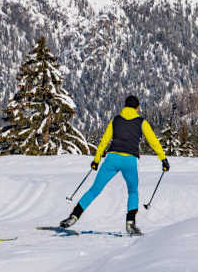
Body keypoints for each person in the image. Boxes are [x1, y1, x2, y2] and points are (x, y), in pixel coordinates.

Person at [60, 94, 169, 235]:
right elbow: (153, 141)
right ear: (137, 108)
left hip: (111, 159)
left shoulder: (115, 120)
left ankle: (74, 216)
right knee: (133, 191)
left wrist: (97, 159)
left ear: (125, 106)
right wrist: (163, 159)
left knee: (94, 190)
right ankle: (130, 223)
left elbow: (104, 140)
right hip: (129, 161)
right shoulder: (141, 122)